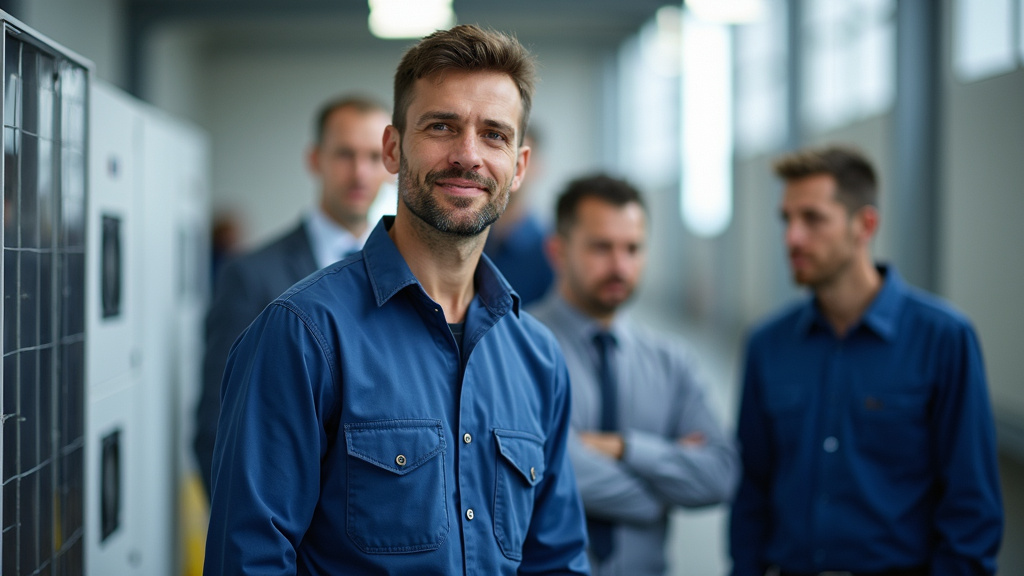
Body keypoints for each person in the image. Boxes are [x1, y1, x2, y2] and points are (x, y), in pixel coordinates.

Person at [203, 24, 591, 575]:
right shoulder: (303, 333)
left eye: (494, 135)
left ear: (520, 167)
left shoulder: (538, 359)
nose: (467, 155)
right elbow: (247, 561)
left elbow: (557, 560)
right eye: (441, 126)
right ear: (393, 147)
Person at [729, 145, 1003, 575]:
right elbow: (752, 493)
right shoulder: (767, 345)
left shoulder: (944, 339)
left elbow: (971, 508)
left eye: (812, 219)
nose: (792, 238)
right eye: (786, 219)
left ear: (865, 224)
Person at [530, 174, 739, 576]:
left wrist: (623, 448)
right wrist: (661, 490)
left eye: (633, 249)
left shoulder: (671, 361)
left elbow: (720, 475)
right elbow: (541, 472)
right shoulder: (516, 348)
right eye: (601, 248)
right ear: (557, 251)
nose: (620, 266)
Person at [192, 94, 393, 497]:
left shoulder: (406, 277)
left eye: (374, 157)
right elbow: (218, 425)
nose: (359, 173)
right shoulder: (250, 276)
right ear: (314, 159)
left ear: (392, 164)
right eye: (344, 155)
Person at [483, 126, 554, 305]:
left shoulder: (549, 251)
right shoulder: (466, 236)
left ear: (536, 167)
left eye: (518, 161)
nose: (509, 171)